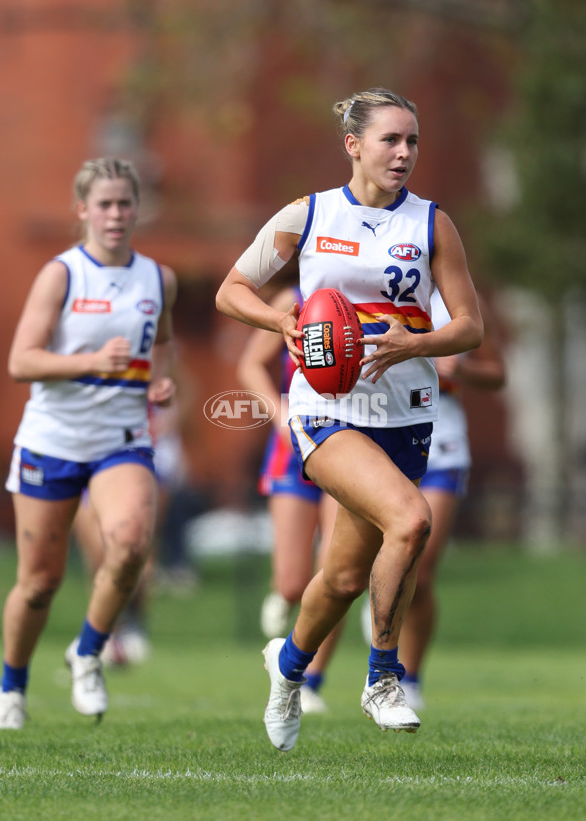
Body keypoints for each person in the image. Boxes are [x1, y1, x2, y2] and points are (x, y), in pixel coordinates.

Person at [216, 88, 484, 751]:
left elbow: (472, 326)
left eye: (413, 141)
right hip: (325, 409)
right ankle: (383, 677)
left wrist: (413, 343)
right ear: (353, 145)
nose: (403, 153)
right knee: (411, 518)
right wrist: (282, 319)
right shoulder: (307, 216)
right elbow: (230, 289)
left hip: (408, 416)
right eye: (391, 139)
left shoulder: (431, 224)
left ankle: (286, 667)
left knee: (338, 578)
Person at [0, 158, 177, 730]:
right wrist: (91, 362)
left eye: (125, 203)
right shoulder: (62, 274)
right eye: (104, 204)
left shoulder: (158, 278)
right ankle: (11, 686)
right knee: (39, 583)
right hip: (52, 439)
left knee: (128, 545)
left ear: (136, 208)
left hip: (121, 437)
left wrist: (161, 379)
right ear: (82, 211)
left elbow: (164, 343)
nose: (116, 214)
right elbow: (21, 361)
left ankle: (90, 651)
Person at [362, 291, 506, 710]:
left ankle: (412, 677)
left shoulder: (460, 302)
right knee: (350, 569)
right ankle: (309, 678)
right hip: (378, 429)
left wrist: (460, 367)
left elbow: (497, 373)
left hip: (442, 440)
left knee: (420, 571)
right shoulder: (371, 282)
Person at [237, 284, 341, 714]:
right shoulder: (291, 299)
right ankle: (282, 593)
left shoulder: (370, 294)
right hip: (293, 448)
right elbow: (250, 365)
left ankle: (310, 681)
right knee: (294, 582)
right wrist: (280, 418)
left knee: (336, 570)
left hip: (348, 444)